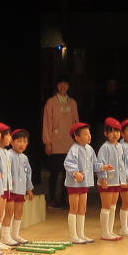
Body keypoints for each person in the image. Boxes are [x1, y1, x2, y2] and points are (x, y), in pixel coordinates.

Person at [42, 77, 78, 206]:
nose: (63, 86)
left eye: (66, 83)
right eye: (60, 83)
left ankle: (64, 199)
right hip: (56, 142)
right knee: (55, 171)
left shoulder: (72, 103)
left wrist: (78, 141)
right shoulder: (51, 102)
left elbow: (76, 123)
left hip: (69, 143)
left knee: (67, 172)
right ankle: (52, 199)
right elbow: (47, 122)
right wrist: (48, 142)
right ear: (57, 86)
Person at [63, 122, 97, 244]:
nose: (89, 136)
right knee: (74, 208)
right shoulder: (74, 149)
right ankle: (73, 235)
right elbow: (68, 163)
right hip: (74, 183)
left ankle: (81, 234)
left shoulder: (90, 149)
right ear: (77, 137)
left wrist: (103, 167)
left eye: (89, 133)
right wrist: (75, 172)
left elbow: (94, 163)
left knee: (82, 208)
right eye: (85, 134)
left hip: (85, 183)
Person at [94, 118, 127, 241]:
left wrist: (123, 180)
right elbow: (100, 163)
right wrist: (102, 178)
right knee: (106, 206)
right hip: (107, 181)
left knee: (113, 206)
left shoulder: (119, 146)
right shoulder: (105, 148)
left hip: (116, 181)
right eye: (112, 131)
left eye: (117, 131)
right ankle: (105, 232)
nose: (115, 134)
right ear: (105, 133)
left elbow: (122, 164)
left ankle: (110, 230)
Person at [2, 129, 33, 246]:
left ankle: (15, 234)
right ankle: (6, 236)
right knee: (9, 212)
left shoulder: (24, 158)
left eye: (24, 141)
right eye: (19, 141)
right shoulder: (8, 155)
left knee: (19, 212)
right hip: (10, 189)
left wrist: (29, 188)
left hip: (20, 190)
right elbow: (7, 171)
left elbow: (28, 173)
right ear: (12, 142)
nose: (22, 144)